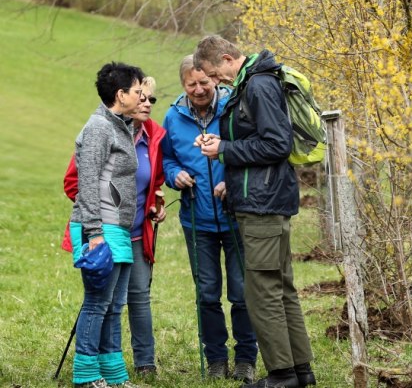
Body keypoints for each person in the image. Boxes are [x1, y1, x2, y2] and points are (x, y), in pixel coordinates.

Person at [193, 35, 316, 388]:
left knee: (261, 291)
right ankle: (301, 370)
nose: (216, 84)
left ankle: (282, 375)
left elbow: (277, 143)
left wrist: (225, 149)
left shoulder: (258, 86)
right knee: (281, 287)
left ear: (229, 59)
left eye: (215, 75)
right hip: (267, 199)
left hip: (263, 203)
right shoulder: (256, 82)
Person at [160, 55, 258, 383]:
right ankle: (215, 358)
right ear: (183, 85)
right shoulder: (172, 117)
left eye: (205, 82)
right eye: (192, 84)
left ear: (214, 79)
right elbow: (168, 160)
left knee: (242, 291)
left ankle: (246, 357)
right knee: (207, 292)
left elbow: (249, 148)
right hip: (196, 219)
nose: (200, 89)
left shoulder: (233, 107)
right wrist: (176, 176)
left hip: (235, 215)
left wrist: (230, 179)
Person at [63, 76, 167, 377]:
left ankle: (114, 374)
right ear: (121, 95)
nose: (144, 99)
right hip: (102, 229)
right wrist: (94, 233)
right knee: (97, 304)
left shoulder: (119, 126)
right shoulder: (98, 127)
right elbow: (87, 183)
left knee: (114, 306)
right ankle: (86, 374)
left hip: (121, 230)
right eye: (138, 93)